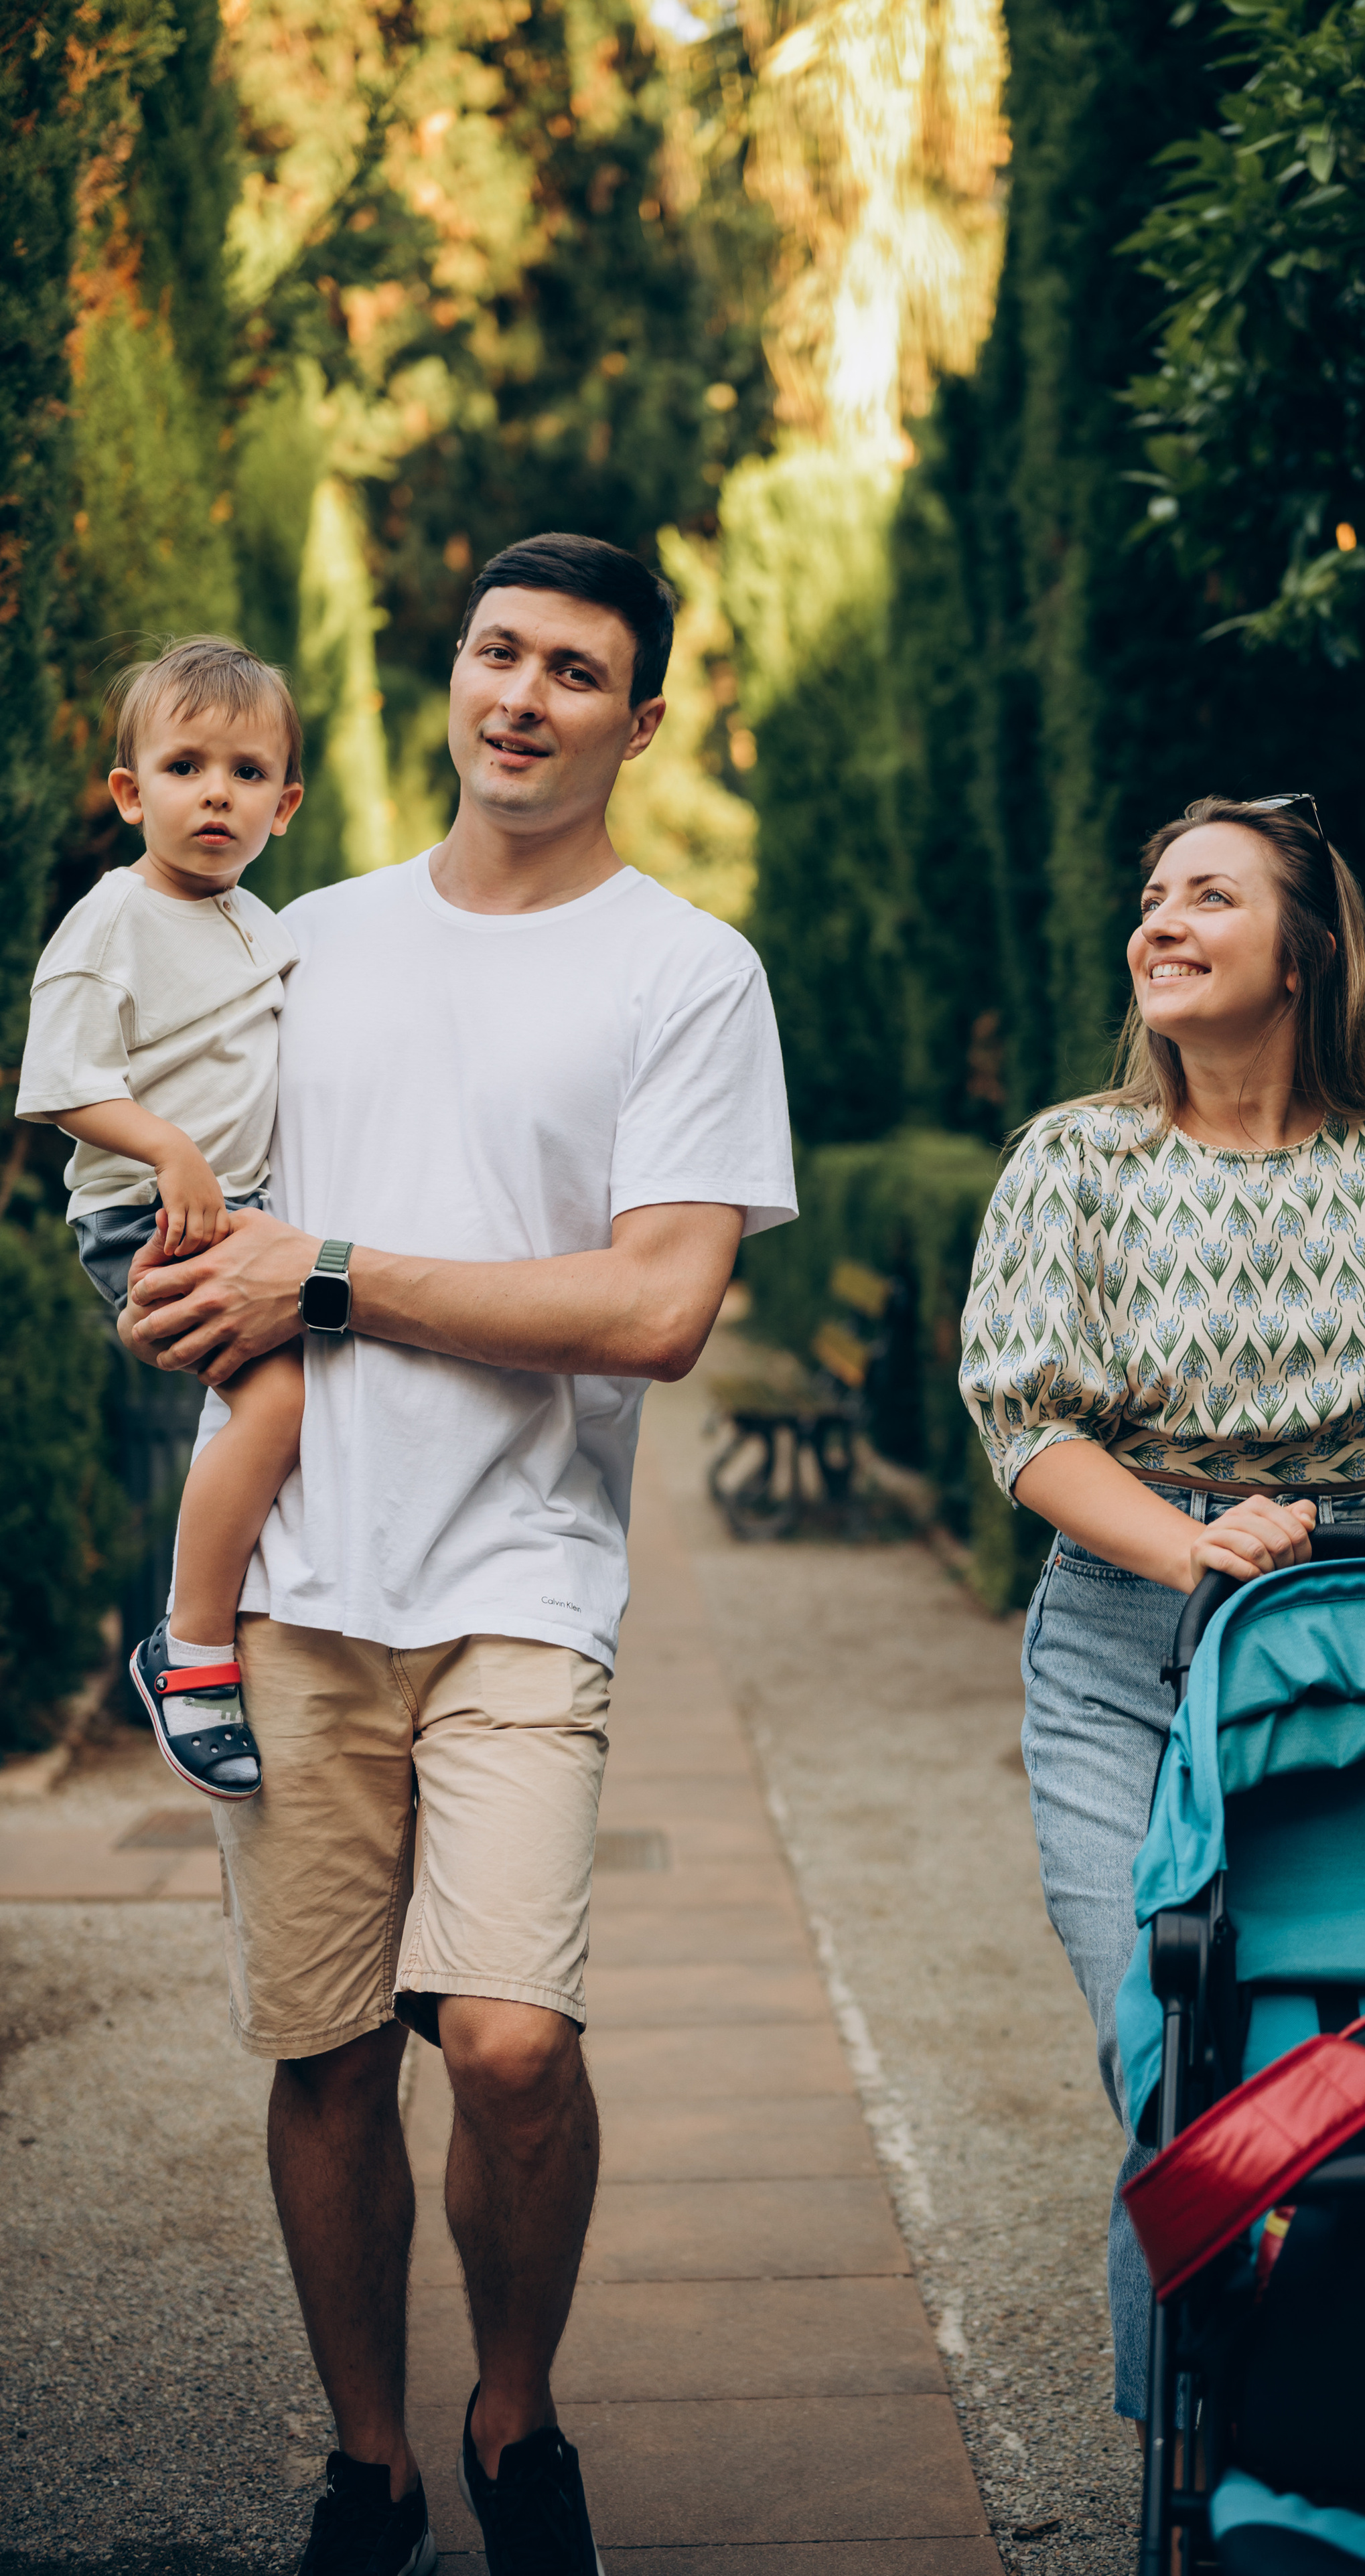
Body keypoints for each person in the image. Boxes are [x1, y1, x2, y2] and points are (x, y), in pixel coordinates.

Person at [124, 532, 796, 2576]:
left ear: (640, 723)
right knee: (327, 2052)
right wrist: (165, 1280)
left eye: (575, 672)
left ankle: (515, 2416)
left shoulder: (686, 971)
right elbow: (189, 1210)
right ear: (453, 673)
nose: (523, 695)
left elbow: (657, 1310)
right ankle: (373, 2465)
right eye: (499, 652)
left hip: (521, 1576)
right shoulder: (297, 939)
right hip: (291, 1581)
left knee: (509, 2044)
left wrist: (329, 1271)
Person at [958, 791, 1365, 2431]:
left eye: (1207, 896)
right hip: (1122, 1648)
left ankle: (1322, 2409)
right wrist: (1186, 1549)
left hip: (1346, 1658)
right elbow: (1028, 1429)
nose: (1158, 920)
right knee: (1164, 2045)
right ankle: (1201, 2445)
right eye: (1150, 895)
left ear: (1305, 953)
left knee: (1326, 2041)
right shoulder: (1074, 1158)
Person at [16, 635, 307, 1799]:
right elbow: (61, 1084)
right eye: (186, 768)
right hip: (151, 1212)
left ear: (284, 805)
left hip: (242, 1212)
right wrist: (170, 1149)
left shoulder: (258, 922)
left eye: (247, 773)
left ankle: (273, 1617)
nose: (216, 795)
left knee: (301, 1400)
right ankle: (188, 1649)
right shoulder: (113, 922)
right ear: (132, 793)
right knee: (275, 1401)